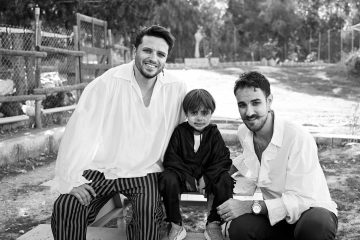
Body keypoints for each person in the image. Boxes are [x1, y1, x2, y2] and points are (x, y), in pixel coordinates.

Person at [50, 25, 187, 240]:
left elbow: (185, 132)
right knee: (67, 205)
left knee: (147, 221)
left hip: (146, 171)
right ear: (135, 50)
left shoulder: (176, 88)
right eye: (147, 51)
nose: (153, 58)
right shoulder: (108, 82)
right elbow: (80, 129)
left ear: (166, 59)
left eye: (161, 54)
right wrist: (70, 179)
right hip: (104, 168)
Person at [217, 71, 338, 240]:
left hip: (309, 212)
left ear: (269, 101)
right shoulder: (244, 132)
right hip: (276, 217)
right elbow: (247, 158)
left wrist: (249, 206)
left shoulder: (297, 137)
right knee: (239, 228)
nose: (249, 112)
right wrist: (218, 176)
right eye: (242, 105)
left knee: (316, 225)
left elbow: (300, 200)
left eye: (256, 102)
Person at [159, 89, 233, 240]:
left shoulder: (213, 133)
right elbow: (171, 159)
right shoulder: (179, 132)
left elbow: (223, 158)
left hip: (207, 179)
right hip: (182, 177)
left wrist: (207, 177)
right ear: (186, 113)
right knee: (167, 177)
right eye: (194, 113)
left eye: (204, 113)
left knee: (224, 179)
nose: (199, 118)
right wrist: (188, 178)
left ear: (211, 113)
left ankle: (213, 223)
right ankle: (176, 224)